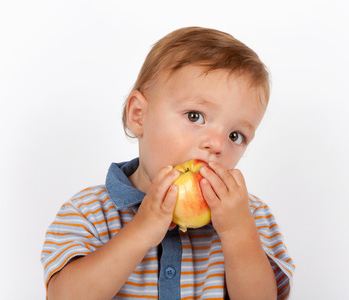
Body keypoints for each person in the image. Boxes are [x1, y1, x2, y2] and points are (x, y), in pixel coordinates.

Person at [41, 26, 294, 299]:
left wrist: (237, 231)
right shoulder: (88, 213)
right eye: (195, 116)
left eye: (235, 135)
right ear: (139, 116)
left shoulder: (250, 216)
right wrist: (141, 231)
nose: (217, 145)